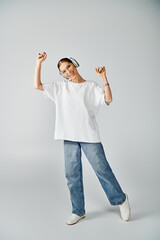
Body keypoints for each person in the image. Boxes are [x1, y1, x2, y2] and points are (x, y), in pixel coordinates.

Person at [33, 52, 131, 225]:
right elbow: (37, 85)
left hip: (89, 135)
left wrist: (103, 78)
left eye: (68, 66)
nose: (68, 72)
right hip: (69, 136)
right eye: (63, 71)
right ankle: (78, 211)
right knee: (72, 175)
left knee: (102, 170)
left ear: (74, 64)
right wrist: (38, 63)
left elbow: (108, 99)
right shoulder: (60, 88)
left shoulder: (91, 86)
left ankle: (121, 200)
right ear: (62, 75)